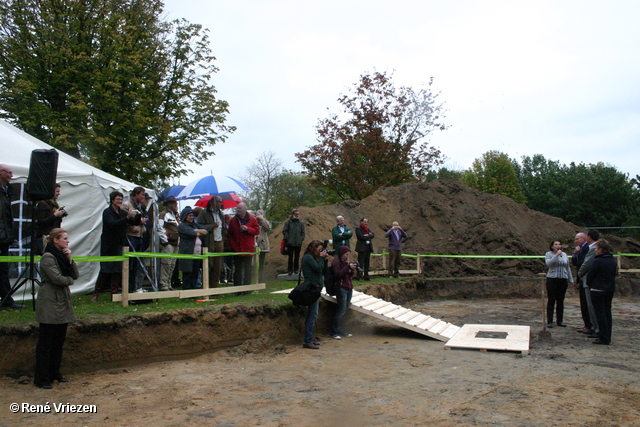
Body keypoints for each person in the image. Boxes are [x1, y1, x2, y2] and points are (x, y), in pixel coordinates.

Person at [34, 228, 78, 389]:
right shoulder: (47, 257)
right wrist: (69, 280)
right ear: (55, 240)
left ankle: (54, 373)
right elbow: (58, 279)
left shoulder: (62, 256)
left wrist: (69, 259)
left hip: (61, 300)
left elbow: (75, 274)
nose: (67, 241)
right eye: (65, 238)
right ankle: (41, 378)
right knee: (46, 342)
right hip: (49, 301)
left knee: (58, 342)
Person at [92, 191, 139, 302]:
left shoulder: (122, 212)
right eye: (118, 199)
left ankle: (114, 293)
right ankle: (96, 292)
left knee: (118, 269)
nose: (120, 201)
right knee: (105, 269)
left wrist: (138, 215)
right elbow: (112, 224)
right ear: (112, 200)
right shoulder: (107, 212)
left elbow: (134, 222)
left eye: (121, 199)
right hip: (108, 244)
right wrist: (126, 218)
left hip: (120, 243)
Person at [0, 163, 22, 309]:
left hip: (4, 236)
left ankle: (6, 300)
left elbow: (7, 216)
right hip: (1, 235)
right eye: (8, 173)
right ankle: (7, 301)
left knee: (3, 270)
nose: (11, 176)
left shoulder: (7, 191)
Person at [587, 239, 617, 345]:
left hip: (598, 289)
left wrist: (590, 284)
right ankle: (607, 335)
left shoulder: (598, 261)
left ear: (600, 249)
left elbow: (590, 275)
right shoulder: (612, 260)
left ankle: (603, 336)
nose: (595, 250)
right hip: (609, 289)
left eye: (596, 248)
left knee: (600, 314)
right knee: (607, 312)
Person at [301, 240, 329, 349]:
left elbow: (323, 271)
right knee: (312, 315)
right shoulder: (308, 258)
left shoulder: (314, 258)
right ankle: (308, 340)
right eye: (319, 250)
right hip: (311, 289)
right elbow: (317, 269)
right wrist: (321, 258)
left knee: (314, 315)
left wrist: (324, 260)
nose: (320, 252)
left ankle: (310, 338)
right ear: (314, 249)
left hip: (315, 289)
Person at [121, 187, 149, 293]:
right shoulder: (126, 205)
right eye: (142, 194)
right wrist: (137, 221)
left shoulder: (140, 206)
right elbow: (124, 220)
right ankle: (128, 288)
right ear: (136, 194)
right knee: (130, 265)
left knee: (136, 265)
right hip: (131, 235)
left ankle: (134, 287)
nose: (143, 197)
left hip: (139, 235)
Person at [227, 203, 260, 288]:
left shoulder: (252, 219)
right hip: (237, 249)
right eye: (237, 209)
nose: (238, 210)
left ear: (245, 209)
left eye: (240, 208)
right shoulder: (233, 220)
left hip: (248, 248)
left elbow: (257, 231)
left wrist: (248, 229)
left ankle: (247, 288)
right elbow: (229, 234)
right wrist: (233, 246)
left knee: (248, 269)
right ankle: (237, 288)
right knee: (237, 269)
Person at [198, 195, 226, 288]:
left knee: (218, 267)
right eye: (219, 202)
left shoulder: (221, 214)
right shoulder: (204, 213)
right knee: (208, 265)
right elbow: (199, 226)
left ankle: (214, 287)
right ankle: (205, 286)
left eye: (221, 202)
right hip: (209, 242)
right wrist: (212, 226)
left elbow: (223, 229)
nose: (221, 203)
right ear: (213, 202)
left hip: (219, 242)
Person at [545, 240, 574, 328]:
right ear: (552, 246)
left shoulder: (564, 255)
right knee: (551, 300)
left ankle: (560, 320)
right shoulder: (549, 254)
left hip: (562, 279)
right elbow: (549, 264)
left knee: (560, 300)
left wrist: (571, 279)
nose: (558, 246)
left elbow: (567, 267)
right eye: (556, 244)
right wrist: (556, 255)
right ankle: (550, 321)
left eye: (559, 244)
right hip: (552, 279)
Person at [330, 245, 357, 340]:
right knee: (341, 311)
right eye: (346, 254)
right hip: (341, 288)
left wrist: (352, 269)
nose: (347, 256)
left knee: (344, 310)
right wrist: (347, 267)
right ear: (341, 254)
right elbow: (337, 274)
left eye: (348, 255)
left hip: (348, 287)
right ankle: (334, 331)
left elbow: (348, 275)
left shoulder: (345, 262)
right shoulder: (336, 262)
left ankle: (341, 330)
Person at [178, 207, 207, 290]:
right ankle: (187, 292)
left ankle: (194, 291)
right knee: (187, 274)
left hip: (197, 253)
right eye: (189, 215)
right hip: (187, 253)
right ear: (185, 216)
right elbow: (191, 233)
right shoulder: (182, 225)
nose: (191, 217)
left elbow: (205, 231)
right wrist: (197, 232)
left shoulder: (195, 225)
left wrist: (196, 230)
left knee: (195, 273)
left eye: (192, 215)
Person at [577, 229, 601, 336]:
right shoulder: (591, 248)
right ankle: (594, 327)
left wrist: (580, 273)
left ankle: (596, 328)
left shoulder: (593, 249)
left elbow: (586, 263)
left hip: (590, 280)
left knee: (592, 307)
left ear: (589, 237)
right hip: (590, 280)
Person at [34, 183, 67, 255]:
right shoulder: (43, 204)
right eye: (57, 191)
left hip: (53, 237)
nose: (59, 194)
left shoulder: (54, 205)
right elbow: (42, 222)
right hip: (46, 238)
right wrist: (55, 215)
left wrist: (60, 216)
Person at [157, 196, 180, 291]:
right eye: (173, 203)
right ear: (168, 204)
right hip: (168, 244)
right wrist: (165, 241)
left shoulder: (175, 216)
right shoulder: (163, 214)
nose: (176, 204)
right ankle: (163, 284)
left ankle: (168, 283)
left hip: (175, 244)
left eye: (176, 203)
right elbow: (160, 228)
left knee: (172, 265)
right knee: (166, 264)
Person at [572, 232, 592, 333]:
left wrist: (577, 259)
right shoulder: (580, 249)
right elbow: (575, 262)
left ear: (583, 239)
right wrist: (575, 255)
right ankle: (586, 324)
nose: (575, 241)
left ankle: (589, 325)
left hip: (584, 278)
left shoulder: (587, 248)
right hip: (581, 278)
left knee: (585, 303)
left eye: (577, 239)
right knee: (583, 303)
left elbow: (583, 262)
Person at [283, 209, 305, 275]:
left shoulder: (300, 223)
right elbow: (285, 231)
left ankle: (296, 269)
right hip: (290, 243)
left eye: (298, 214)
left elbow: (303, 232)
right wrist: (288, 238)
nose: (297, 215)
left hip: (298, 243)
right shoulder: (288, 222)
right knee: (290, 257)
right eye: (296, 214)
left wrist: (301, 239)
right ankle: (290, 270)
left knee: (297, 257)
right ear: (293, 214)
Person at [255, 210, 271, 283]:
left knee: (261, 264)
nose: (257, 215)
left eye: (259, 214)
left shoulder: (265, 222)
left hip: (262, 246)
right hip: (254, 245)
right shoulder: (254, 222)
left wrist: (262, 219)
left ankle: (260, 279)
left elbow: (268, 228)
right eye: (257, 214)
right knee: (254, 263)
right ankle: (254, 278)